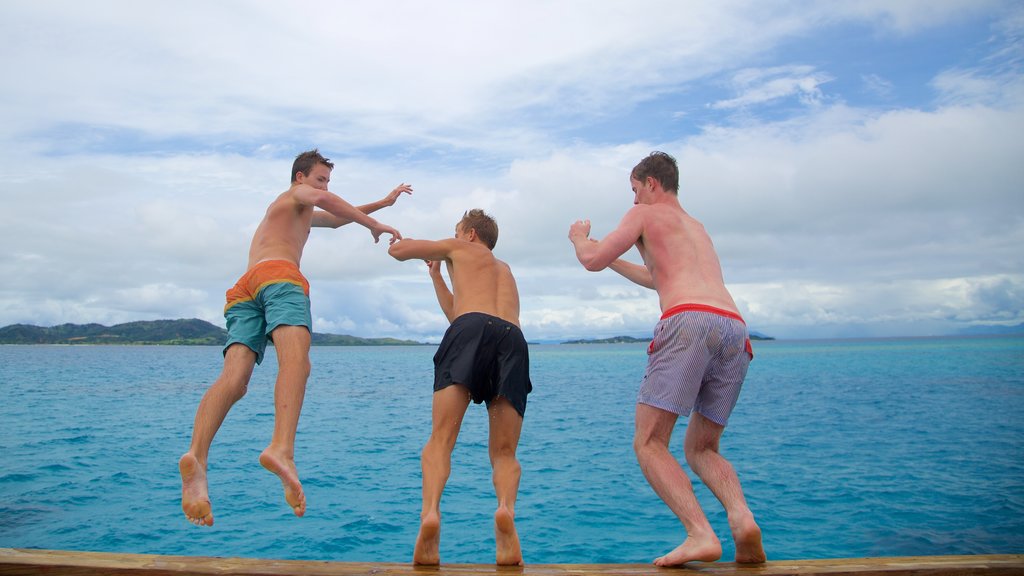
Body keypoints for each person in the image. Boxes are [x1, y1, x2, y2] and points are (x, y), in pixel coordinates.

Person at [179, 149, 411, 527]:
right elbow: (321, 200)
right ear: (300, 177)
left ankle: (197, 458)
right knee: (296, 363)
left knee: (234, 381)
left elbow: (335, 219)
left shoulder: (291, 212)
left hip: (245, 288)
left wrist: (381, 205)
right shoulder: (295, 194)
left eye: (328, 181)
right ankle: (281, 449)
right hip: (279, 278)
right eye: (320, 178)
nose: (324, 187)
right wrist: (373, 224)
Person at [568, 151, 765, 566]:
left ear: (651, 184)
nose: (635, 198)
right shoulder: (697, 228)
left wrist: (580, 237)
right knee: (703, 448)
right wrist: (615, 259)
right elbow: (658, 275)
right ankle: (742, 518)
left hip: (688, 321)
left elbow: (590, 260)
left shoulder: (643, 215)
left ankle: (699, 534)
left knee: (650, 442)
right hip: (733, 327)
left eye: (635, 189)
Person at [388, 209, 531, 566]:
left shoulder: (460, 247)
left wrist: (392, 238)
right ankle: (504, 510)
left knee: (441, 440)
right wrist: (438, 277)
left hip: (470, 332)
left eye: (456, 231)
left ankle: (431, 513)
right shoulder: (505, 271)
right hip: (512, 339)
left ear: (469, 234)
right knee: (504, 453)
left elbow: (401, 251)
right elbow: (463, 313)